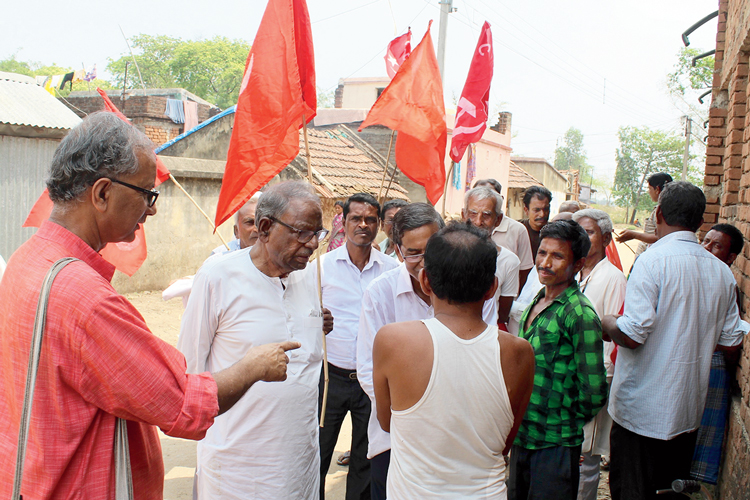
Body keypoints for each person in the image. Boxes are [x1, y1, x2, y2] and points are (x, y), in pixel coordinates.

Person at [0, 112, 299, 498]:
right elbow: (183, 405)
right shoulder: (85, 300)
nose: (152, 209)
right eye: (146, 193)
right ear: (103, 192)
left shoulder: (26, 260)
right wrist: (254, 365)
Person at [177, 181, 332, 499]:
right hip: (236, 472)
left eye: (318, 233)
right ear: (264, 227)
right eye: (303, 232)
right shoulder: (217, 277)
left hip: (299, 466)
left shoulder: (311, 276)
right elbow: (188, 377)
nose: (312, 244)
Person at [601, 182, 746, 500]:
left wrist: (609, 322)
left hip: (640, 411)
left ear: (659, 213)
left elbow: (633, 335)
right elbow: (732, 338)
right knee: (670, 490)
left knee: (631, 490)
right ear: (699, 222)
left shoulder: (652, 261)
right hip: (686, 412)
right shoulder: (721, 273)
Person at [373, 223, 536, 499]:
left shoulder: (393, 341)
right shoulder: (519, 353)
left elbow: (388, 422)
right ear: (492, 288)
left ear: (426, 281)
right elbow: (504, 443)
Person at [508, 219, 608, 500]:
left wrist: (565, 423)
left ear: (578, 264)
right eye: (542, 253)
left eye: (558, 256)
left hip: (555, 444)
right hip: (524, 435)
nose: (546, 262)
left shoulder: (580, 314)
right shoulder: (538, 300)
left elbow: (594, 390)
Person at [357, 202, 445, 500]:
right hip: (393, 437)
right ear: (398, 252)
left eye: (431, 250)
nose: (424, 261)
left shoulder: (465, 288)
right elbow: (369, 370)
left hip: (449, 436)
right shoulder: (379, 293)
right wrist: (409, 417)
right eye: (413, 253)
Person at [319, 192, 399, 500]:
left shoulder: (391, 271)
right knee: (319, 454)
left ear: (379, 224)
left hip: (373, 381)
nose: (362, 225)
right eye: (356, 218)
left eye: (370, 219)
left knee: (366, 460)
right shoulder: (321, 268)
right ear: (343, 221)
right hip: (330, 379)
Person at [571, 209, 627, 500]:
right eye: (578, 231)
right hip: (569, 373)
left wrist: (603, 378)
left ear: (605, 238)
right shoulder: (573, 271)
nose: (582, 237)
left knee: (586, 456)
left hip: (594, 375)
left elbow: (613, 335)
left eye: (589, 232)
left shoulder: (613, 278)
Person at [691, 223, 746, 485]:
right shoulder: (691, 273)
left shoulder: (727, 284)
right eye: (705, 241)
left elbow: (732, 342)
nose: (707, 248)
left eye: (717, 246)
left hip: (710, 365)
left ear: (731, 257)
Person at [462, 186, 521, 326]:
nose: (478, 221)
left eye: (486, 215)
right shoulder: (446, 253)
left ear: (498, 219)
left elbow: (502, 316)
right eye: (473, 213)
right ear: (463, 215)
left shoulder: (509, 261)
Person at [475, 178, 534, 290]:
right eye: (478, 195)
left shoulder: (518, 230)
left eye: (489, 195)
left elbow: (525, 271)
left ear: (500, 199)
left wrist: (511, 297)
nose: (483, 200)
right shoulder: (463, 231)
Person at [615, 172, 672, 258]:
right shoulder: (663, 208)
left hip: (652, 253)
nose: (649, 192)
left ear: (657, 189)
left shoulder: (662, 211)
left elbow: (661, 237)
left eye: (650, 189)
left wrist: (635, 235)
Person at [521, 186, 552, 261]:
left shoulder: (555, 232)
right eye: (537, 210)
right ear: (526, 210)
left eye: (546, 209)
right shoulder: (517, 230)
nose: (542, 214)